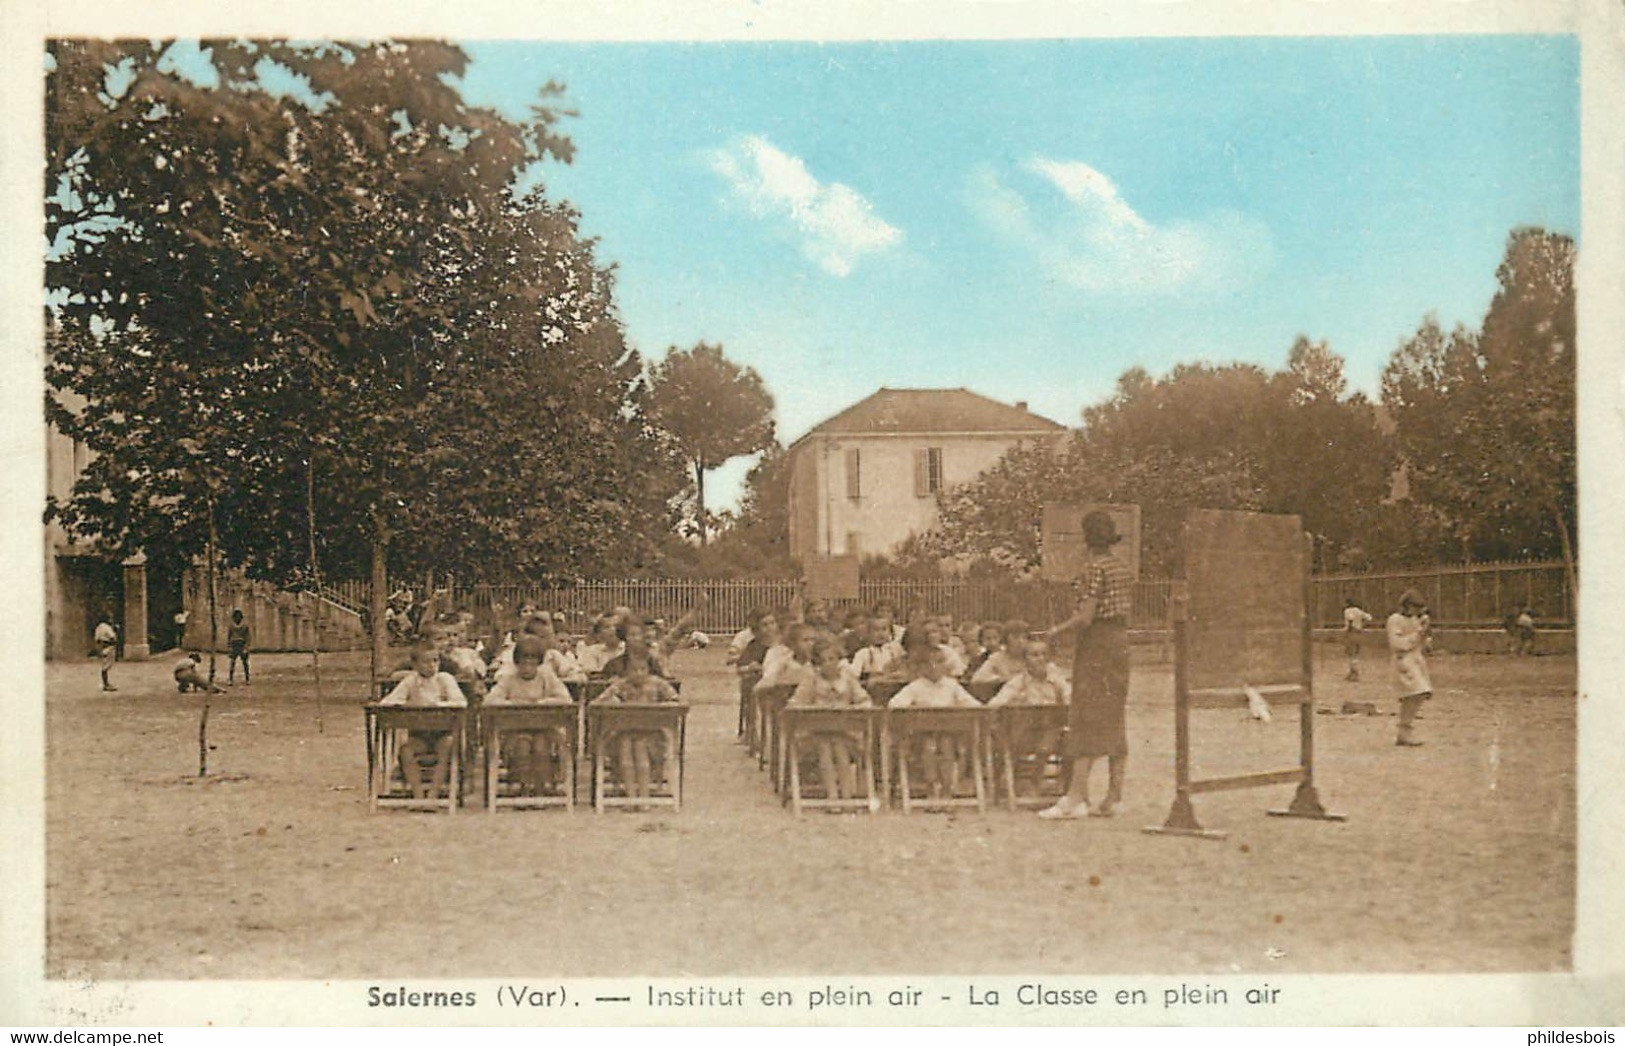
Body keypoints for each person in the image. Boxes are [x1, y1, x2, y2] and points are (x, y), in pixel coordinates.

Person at [1040, 510, 1134, 819]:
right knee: (1114, 714)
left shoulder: (1094, 568)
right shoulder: (1121, 567)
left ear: (1087, 538)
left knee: (1086, 715)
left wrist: (1055, 632)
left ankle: (1076, 797)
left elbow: (1085, 617)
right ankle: (1114, 796)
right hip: (1120, 643)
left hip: (1098, 645)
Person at [888, 645, 981, 800]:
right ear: (921, 667)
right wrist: (916, 710)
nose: (935, 667)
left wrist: (957, 710)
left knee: (946, 746)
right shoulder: (915, 687)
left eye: (940, 662)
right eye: (930, 663)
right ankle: (930, 785)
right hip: (921, 735)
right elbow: (894, 704)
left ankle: (947, 786)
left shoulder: (952, 686)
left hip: (949, 733)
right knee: (929, 747)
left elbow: (973, 704)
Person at [789, 636, 873, 803]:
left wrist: (851, 709)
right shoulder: (811, 681)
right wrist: (814, 710)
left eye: (832, 659)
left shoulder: (848, 680)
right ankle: (832, 794)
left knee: (840, 747)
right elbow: (794, 704)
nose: (827, 664)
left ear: (839, 660)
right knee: (825, 747)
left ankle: (847, 794)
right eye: (822, 660)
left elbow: (865, 701)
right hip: (816, 734)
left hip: (846, 733)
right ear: (816, 663)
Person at [592, 647, 681, 804]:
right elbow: (597, 703)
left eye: (642, 669)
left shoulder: (658, 684)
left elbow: (676, 701)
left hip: (653, 735)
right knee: (625, 747)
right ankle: (631, 795)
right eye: (633, 670)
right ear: (625, 671)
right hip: (624, 733)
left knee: (640, 748)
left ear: (649, 669)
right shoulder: (620, 685)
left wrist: (663, 707)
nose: (638, 673)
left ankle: (644, 796)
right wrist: (612, 701)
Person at [486, 635, 572, 796]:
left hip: (544, 729)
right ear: (516, 663)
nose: (527, 668)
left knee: (541, 745)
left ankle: (544, 784)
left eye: (532, 664)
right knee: (522, 744)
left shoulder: (547, 677)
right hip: (516, 729)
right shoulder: (508, 680)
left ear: (539, 664)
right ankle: (519, 783)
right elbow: (490, 700)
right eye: (523, 663)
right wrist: (513, 704)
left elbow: (565, 698)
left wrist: (542, 702)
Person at [381, 640, 467, 800]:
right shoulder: (411, 681)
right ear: (415, 664)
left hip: (442, 734)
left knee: (448, 747)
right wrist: (405, 704)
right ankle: (418, 794)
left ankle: (433, 793)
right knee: (405, 751)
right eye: (426, 661)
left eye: (435, 660)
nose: (431, 665)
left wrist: (439, 704)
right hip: (419, 735)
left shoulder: (444, 679)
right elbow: (389, 701)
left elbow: (460, 702)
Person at [1388, 589, 1433, 747]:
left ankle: (1404, 731)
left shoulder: (1415, 620)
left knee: (1419, 694)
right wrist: (1418, 635)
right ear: (1406, 605)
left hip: (1416, 661)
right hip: (1404, 662)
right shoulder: (1395, 620)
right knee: (1415, 693)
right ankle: (1404, 731)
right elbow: (1397, 645)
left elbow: (1423, 643)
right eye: (1415, 607)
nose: (1417, 611)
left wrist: (1425, 635)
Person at [1342, 598, 1373, 681]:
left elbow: (1350, 620)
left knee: (1350, 654)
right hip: (1359, 632)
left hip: (1351, 632)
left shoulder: (1348, 611)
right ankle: (1352, 672)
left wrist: (1348, 631)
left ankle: (1354, 673)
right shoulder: (1358, 611)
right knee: (1355, 653)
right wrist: (1363, 625)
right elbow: (1369, 617)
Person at [226, 608, 251, 685]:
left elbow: (248, 637)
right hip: (234, 645)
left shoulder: (245, 626)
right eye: (235, 617)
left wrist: (246, 647)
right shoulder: (231, 626)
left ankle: (247, 679)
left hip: (242, 645)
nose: (237, 619)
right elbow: (229, 637)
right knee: (232, 662)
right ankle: (230, 679)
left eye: (238, 617)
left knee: (245, 663)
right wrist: (229, 647)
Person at [93, 614, 118, 692]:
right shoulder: (106, 627)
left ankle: (105, 683)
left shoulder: (99, 627)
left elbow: (96, 639)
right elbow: (112, 637)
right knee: (107, 665)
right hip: (108, 646)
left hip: (101, 647)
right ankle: (106, 684)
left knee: (104, 665)